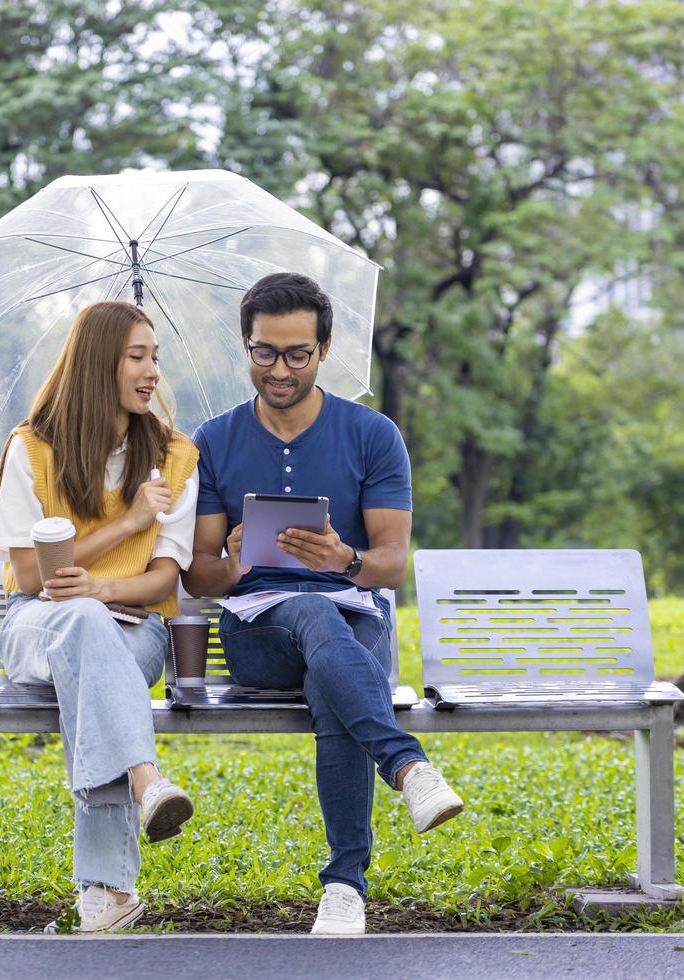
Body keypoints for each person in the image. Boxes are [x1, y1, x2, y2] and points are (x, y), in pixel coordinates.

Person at [183, 272, 464, 936]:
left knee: (332, 668)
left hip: (354, 618)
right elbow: (197, 575)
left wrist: (344, 560)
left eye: (296, 354)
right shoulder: (214, 440)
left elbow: (392, 561)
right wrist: (235, 563)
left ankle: (344, 890)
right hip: (257, 634)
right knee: (310, 616)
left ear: (325, 349)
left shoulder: (371, 434)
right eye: (264, 352)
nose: (279, 369)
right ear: (245, 346)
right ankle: (408, 767)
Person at [0, 300, 200, 933]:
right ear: (96, 362)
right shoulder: (34, 449)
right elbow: (31, 576)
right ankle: (144, 782)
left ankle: (108, 895)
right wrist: (130, 521)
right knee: (80, 627)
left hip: (135, 629)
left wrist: (102, 590)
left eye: (155, 357)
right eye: (137, 356)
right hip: (36, 625)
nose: (151, 371)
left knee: (91, 633)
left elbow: (166, 580)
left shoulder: (174, 457)